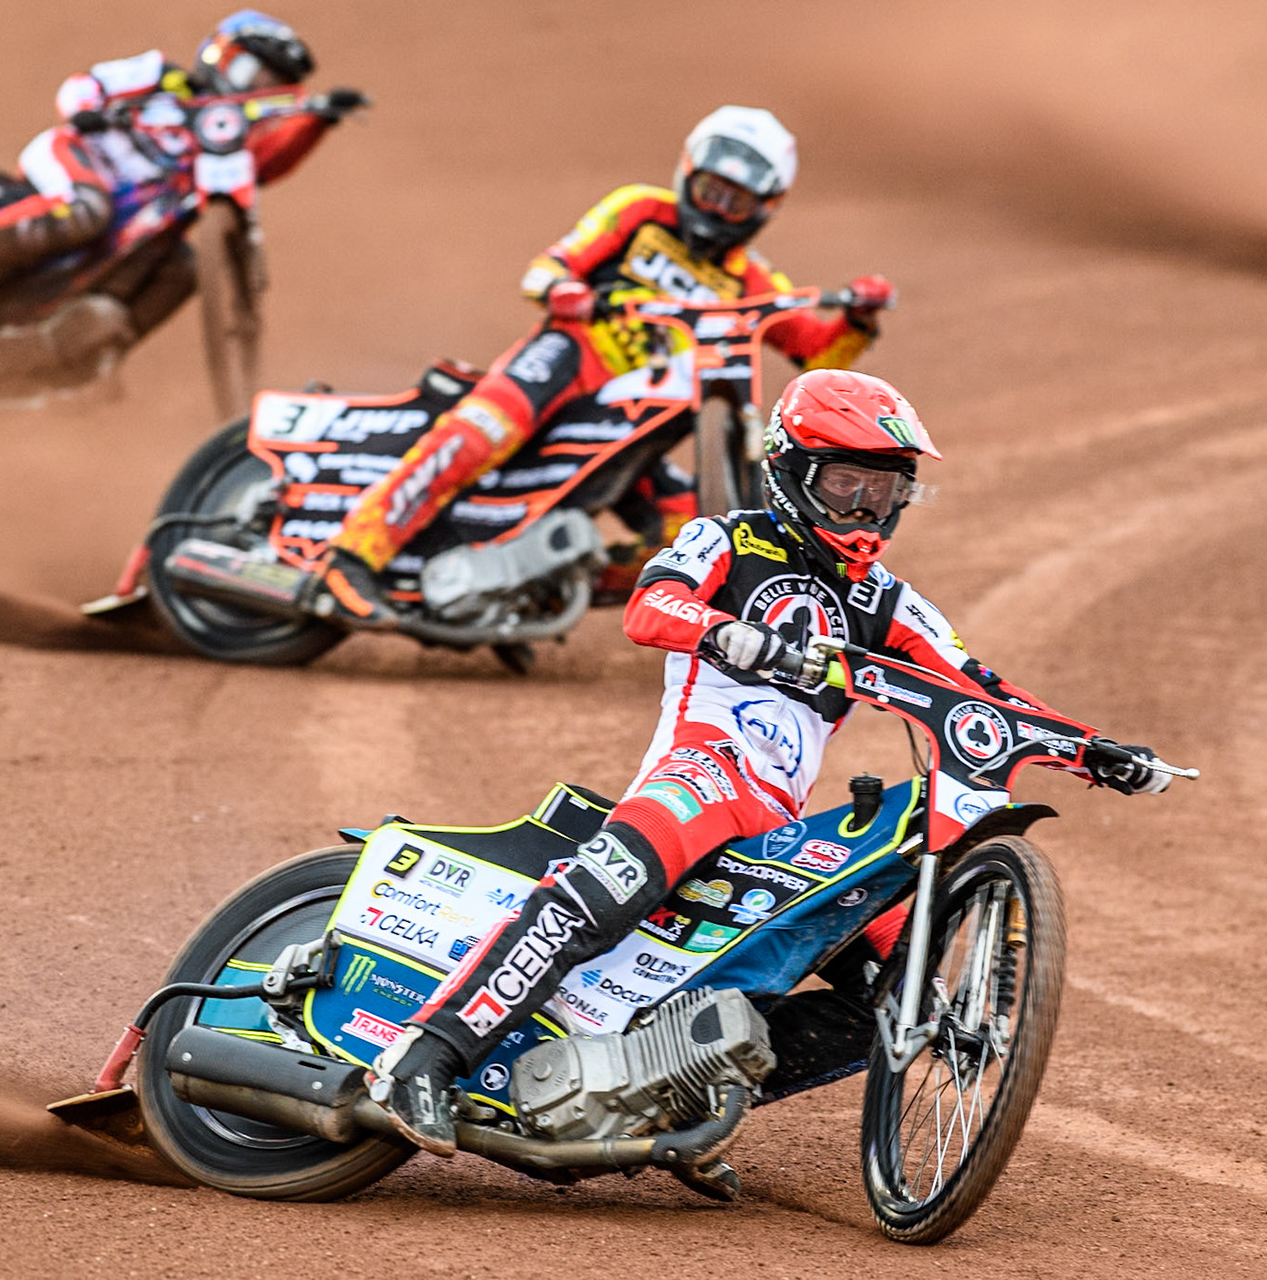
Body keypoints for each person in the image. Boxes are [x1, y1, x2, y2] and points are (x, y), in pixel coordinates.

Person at [366, 367, 1173, 1155]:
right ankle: (423, 1057)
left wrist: (1093, 749)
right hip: (701, 771)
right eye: (846, 484)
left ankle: (671, 1101)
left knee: (900, 991)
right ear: (789, 471)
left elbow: (982, 689)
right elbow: (649, 606)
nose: (865, 509)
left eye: (885, 490)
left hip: (780, 825)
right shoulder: (725, 538)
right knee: (597, 897)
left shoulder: (890, 601)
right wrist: (725, 632)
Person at [306, 105, 896, 627]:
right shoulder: (640, 211)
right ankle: (349, 560)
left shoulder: (753, 281)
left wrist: (858, 320)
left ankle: (542, 584)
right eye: (710, 190)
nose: (718, 209)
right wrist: (565, 291)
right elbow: (549, 267)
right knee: (474, 437)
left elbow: (815, 353)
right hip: (564, 362)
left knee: (686, 526)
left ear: (765, 208)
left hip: (636, 415)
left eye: (736, 201)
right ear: (687, 174)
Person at [0, 9, 360, 342]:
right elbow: (87, 84)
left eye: (270, 84)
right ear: (222, 56)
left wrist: (317, 121)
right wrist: (87, 111)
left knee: (183, 267)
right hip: (78, 158)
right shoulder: (163, 78)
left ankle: (82, 356)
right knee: (87, 209)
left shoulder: (228, 144)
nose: (256, 89)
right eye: (252, 73)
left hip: (131, 221)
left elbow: (267, 166)